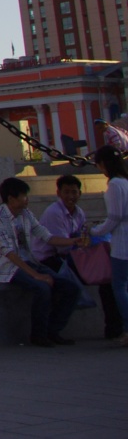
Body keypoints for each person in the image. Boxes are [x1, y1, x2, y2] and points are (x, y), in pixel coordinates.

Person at [0, 176, 86, 346]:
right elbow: (9, 253)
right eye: (24, 196)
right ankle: (38, 335)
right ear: (11, 198)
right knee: (42, 288)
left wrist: (73, 241)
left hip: (31, 262)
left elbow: (46, 236)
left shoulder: (26, 214)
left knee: (71, 288)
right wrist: (36, 275)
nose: (27, 200)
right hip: (10, 268)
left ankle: (53, 330)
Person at [36, 172, 122, 339]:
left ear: (80, 193)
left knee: (107, 278)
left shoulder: (79, 212)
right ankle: (52, 331)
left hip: (71, 256)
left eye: (74, 192)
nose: (71, 196)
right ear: (58, 193)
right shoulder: (54, 212)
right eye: (66, 192)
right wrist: (82, 244)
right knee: (71, 288)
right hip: (50, 259)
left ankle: (114, 328)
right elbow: (61, 246)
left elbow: (81, 238)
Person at [91, 145, 128, 347]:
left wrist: (95, 231)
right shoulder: (125, 182)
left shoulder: (114, 185)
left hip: (122, 245)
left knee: (120, 287)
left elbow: (114, 217)